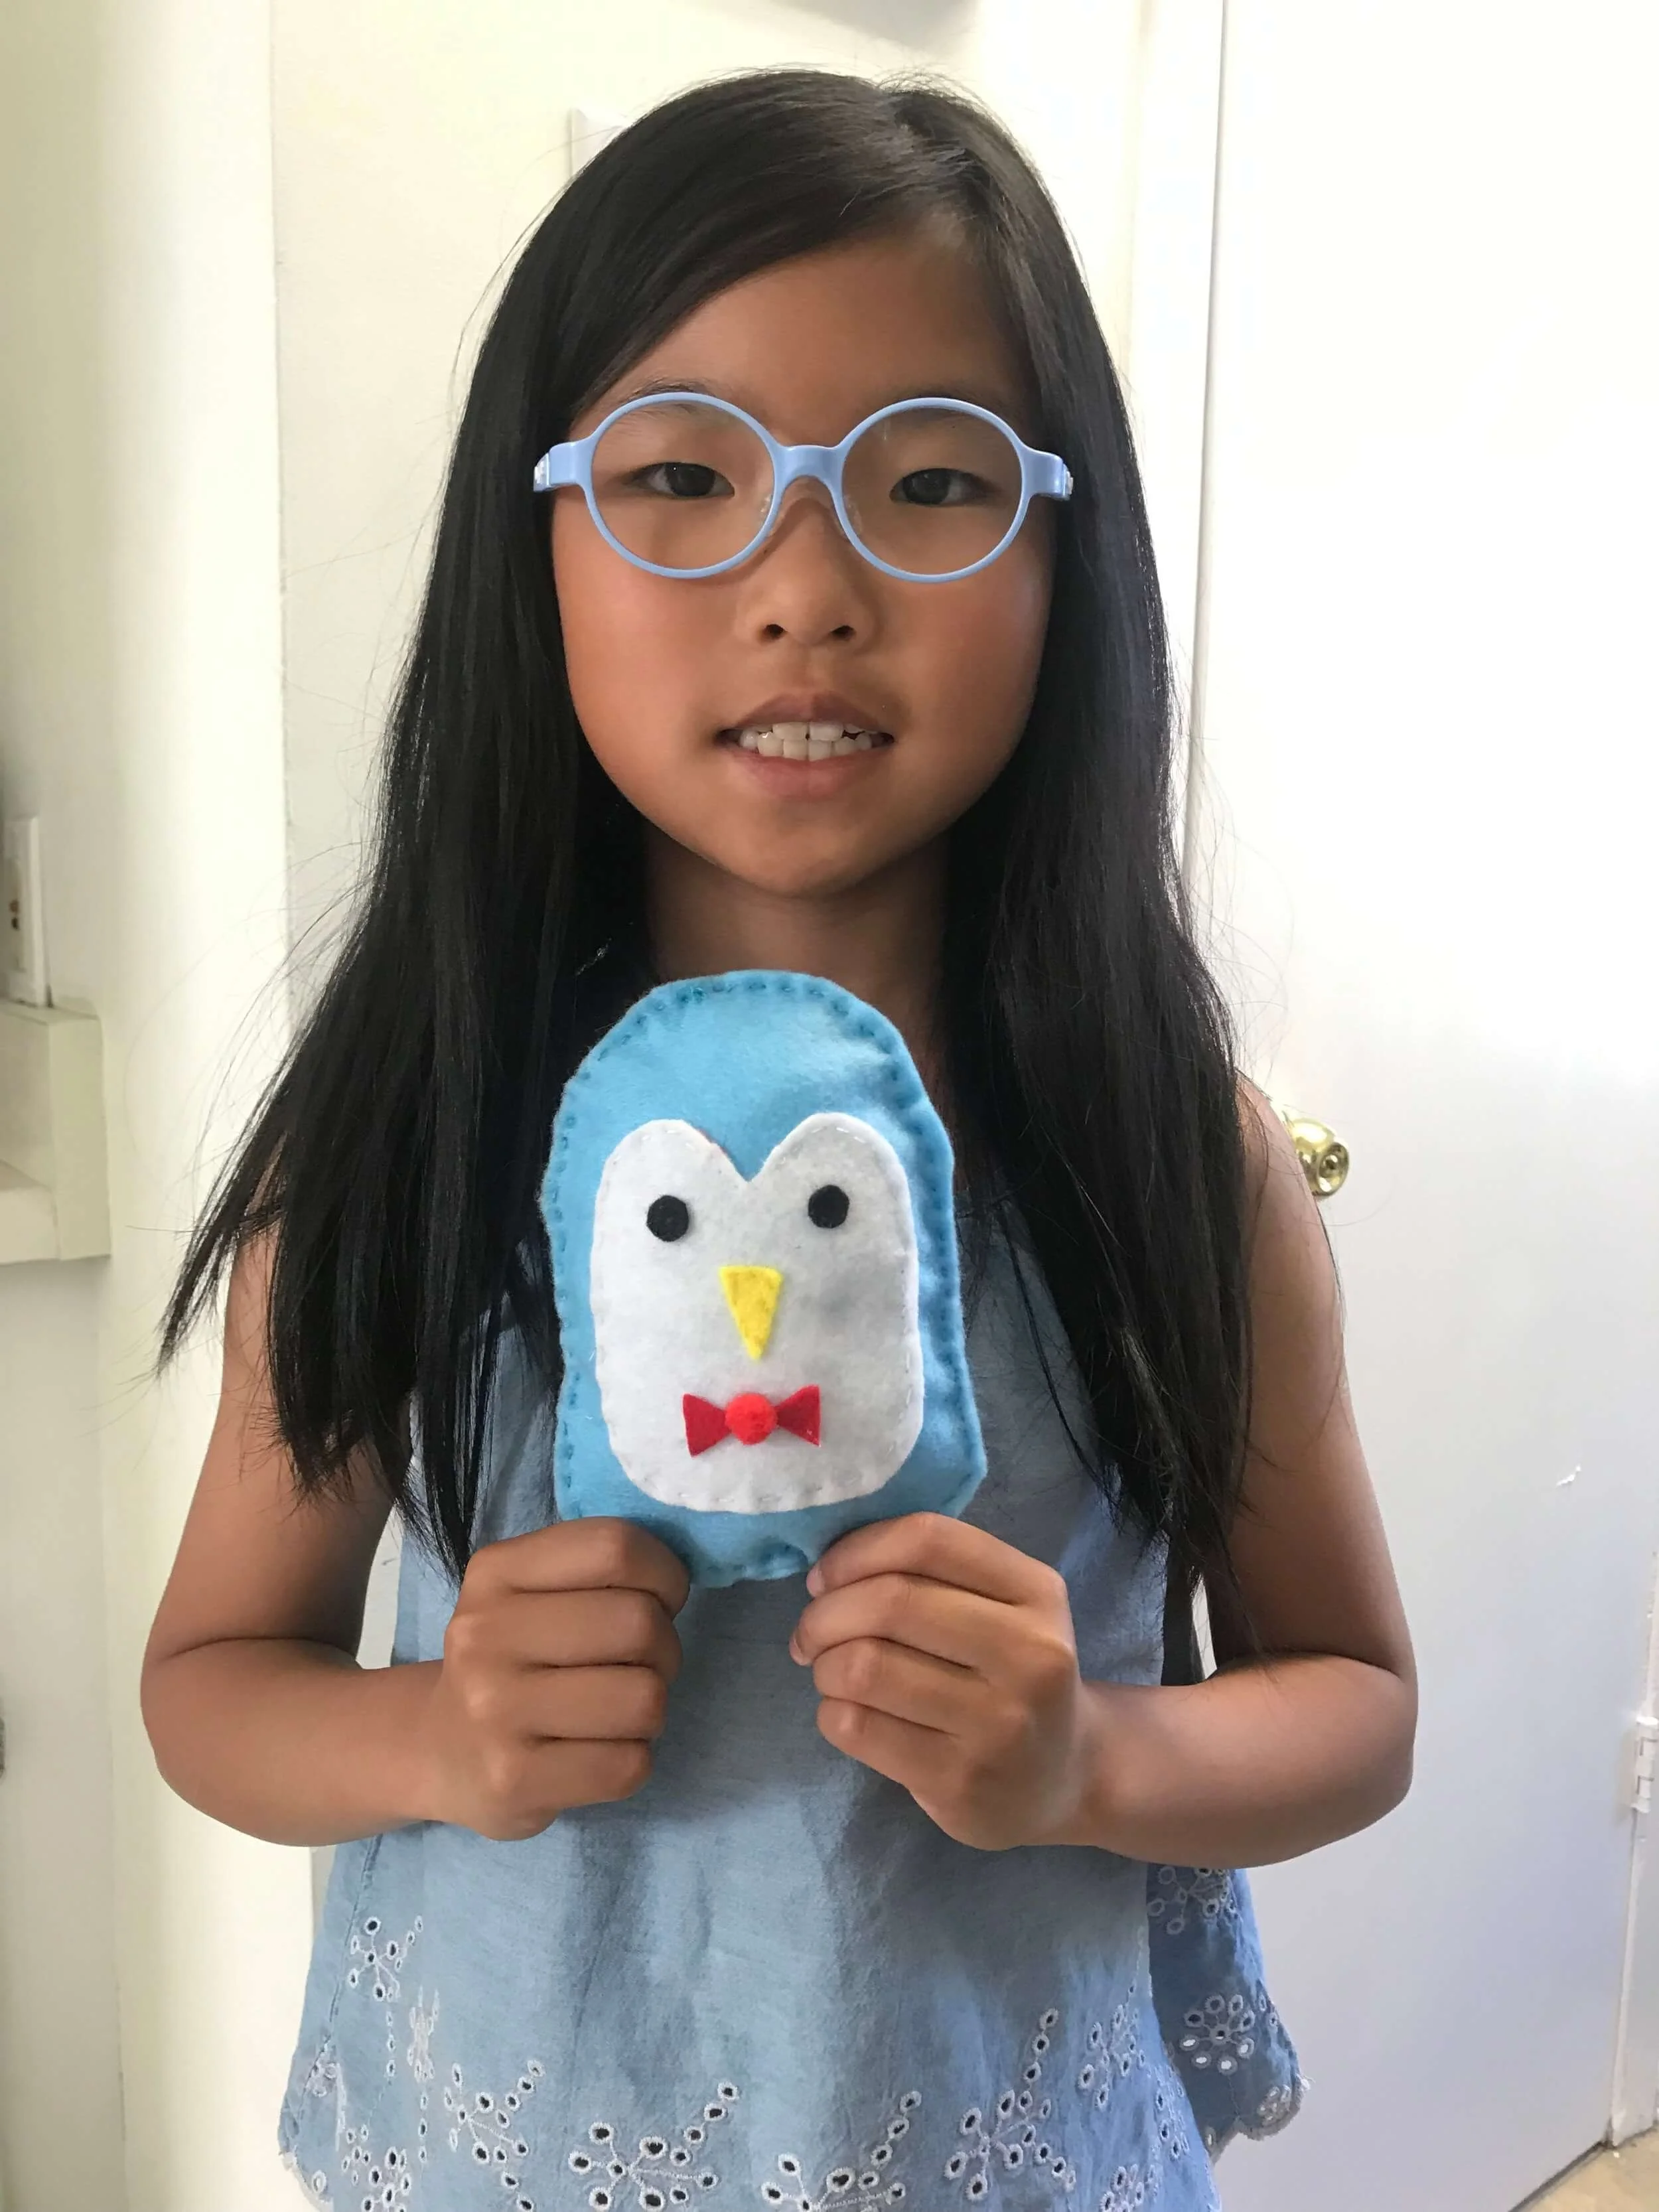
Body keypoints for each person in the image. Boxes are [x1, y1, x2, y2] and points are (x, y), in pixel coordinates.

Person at [140, 68, 1417, 2211]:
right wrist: (439, 1731)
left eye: (929, 480)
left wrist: (1094, 1753)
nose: (801, 581)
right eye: (675, 474)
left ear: (1063, 539)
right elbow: (208, 1682)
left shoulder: (1172, 1159)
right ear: (525, 536)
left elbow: (1353, 1699)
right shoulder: (412, 1140)